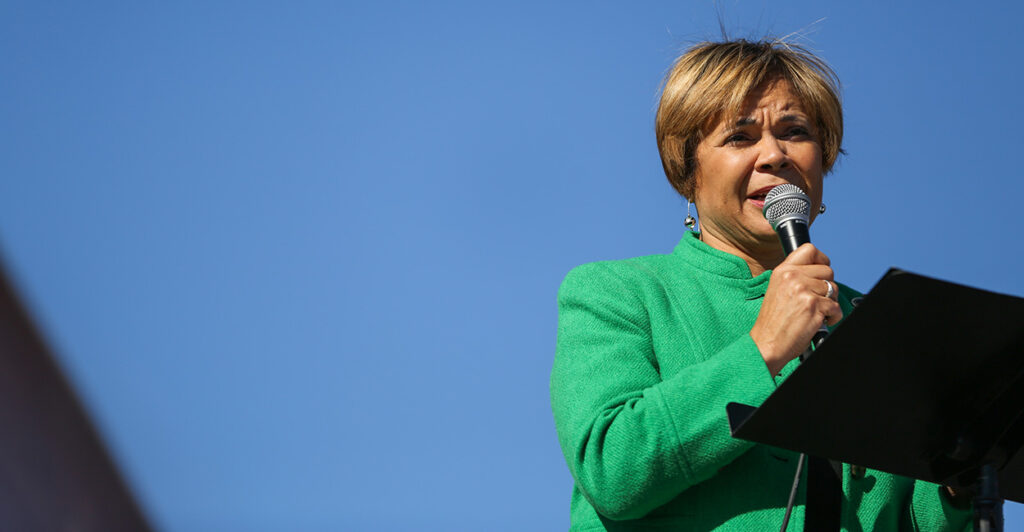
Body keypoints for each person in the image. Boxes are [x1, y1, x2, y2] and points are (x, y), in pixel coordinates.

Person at [550, 39, 972, 531]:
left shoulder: (883, 323)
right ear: (687, 170)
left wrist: (958, 487)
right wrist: (763, 348)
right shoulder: (617, 293)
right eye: (740, 137)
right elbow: (611, 469)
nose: (774, 154)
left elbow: (920, 515)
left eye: (795, 132)